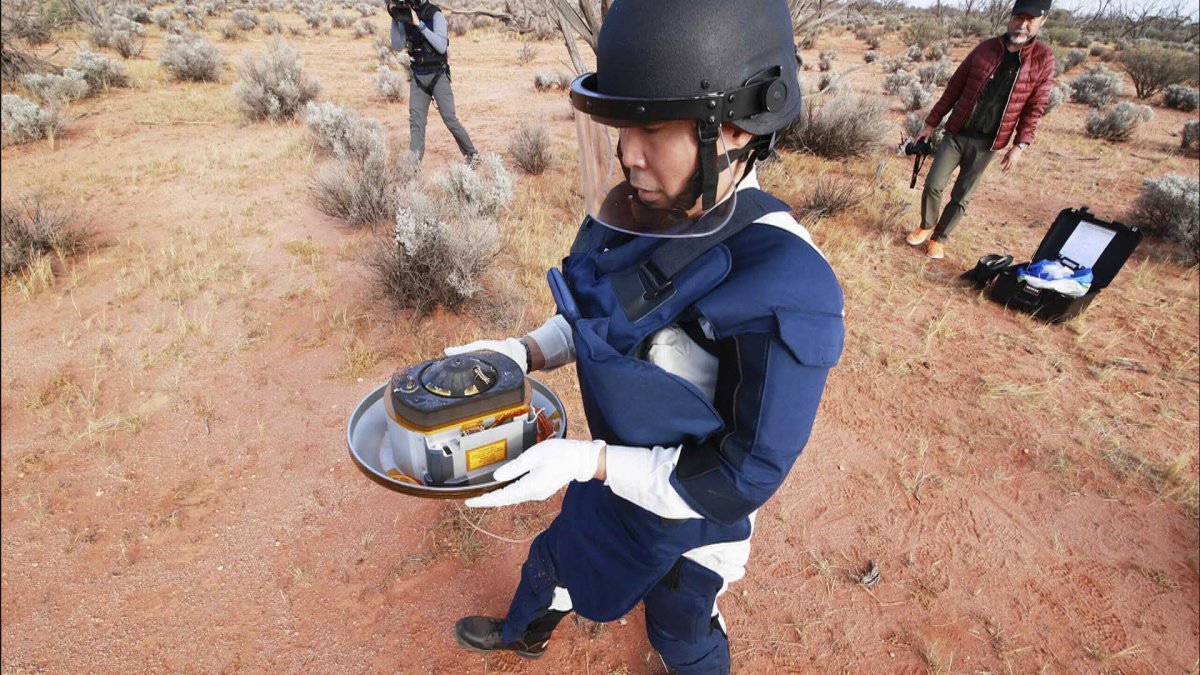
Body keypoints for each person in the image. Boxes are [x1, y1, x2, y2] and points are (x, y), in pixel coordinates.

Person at [441, 1, 844, 672]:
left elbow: (735, 478)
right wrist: (524, 352)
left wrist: (589, 461)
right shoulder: (640, 208)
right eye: (621, 126)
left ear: (739, 126)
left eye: (652, 127)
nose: (628, 154)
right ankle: (526, 630)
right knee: (555, 557)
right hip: (611, 468)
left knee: (681, 628)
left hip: (690, 518)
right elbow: (594, 314)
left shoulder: (787, 284)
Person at [906, 0, 1056, 260]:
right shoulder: (986, 49)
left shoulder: (1043, 59)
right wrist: (931, 123)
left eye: (1030, 19)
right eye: (1018, 17)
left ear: (1042, 21)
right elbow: (954, 88)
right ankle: (927, 224)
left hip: (989, 142)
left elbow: (1035, 107)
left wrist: (1020, 145)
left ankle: (939, 238)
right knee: (933, 183)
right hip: (957, 132)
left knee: (962, 195)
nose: (1023, 24)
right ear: (1010, 18)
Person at [387, 0, 478, 163]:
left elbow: (442, 46)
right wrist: (395, 18)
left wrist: (418, 24)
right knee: (416, 122)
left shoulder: (435, 14)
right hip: (418, 77)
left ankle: (472, 155)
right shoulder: (407, 15)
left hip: (438, 76)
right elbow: (397, 45)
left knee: (450, 119)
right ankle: (413, 167)